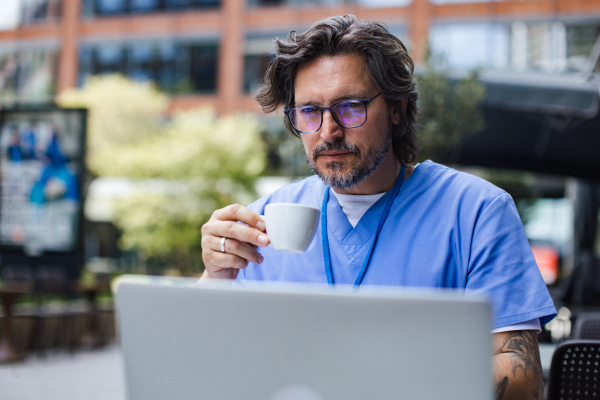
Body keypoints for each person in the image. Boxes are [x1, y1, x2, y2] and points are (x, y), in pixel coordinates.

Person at [200, 15, 556, 400]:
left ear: (397, 109)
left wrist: (379, 374)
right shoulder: (262, 220)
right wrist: (214, 278)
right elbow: (202, 364)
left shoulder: (476, 212)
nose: (328, 130)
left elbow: (524, 380)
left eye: (350, 107)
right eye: (309, 112)